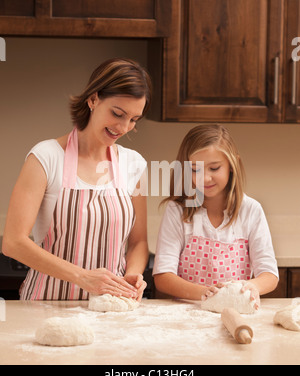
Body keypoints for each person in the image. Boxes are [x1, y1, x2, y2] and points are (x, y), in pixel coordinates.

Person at [2, 58, 152, 301]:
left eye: (134, 119)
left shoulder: (134, 164)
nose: (124, 127)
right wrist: (83, 277)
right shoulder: (46, 156)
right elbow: (13, 242)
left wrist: (132, 276)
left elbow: (138, 242)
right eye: (117, 113)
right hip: (46, 305)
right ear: (93, 99)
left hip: (109, 306)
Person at [153, 124, 278, 308]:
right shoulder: (177, 211)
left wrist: (252, 286)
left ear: (232, 165)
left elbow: (269, 274)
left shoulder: (250, 210)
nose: (205, 178)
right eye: (195, 170)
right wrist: (205, 293)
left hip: (236, 311)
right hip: (188, 315)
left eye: (214, 168)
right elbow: (163, 277)